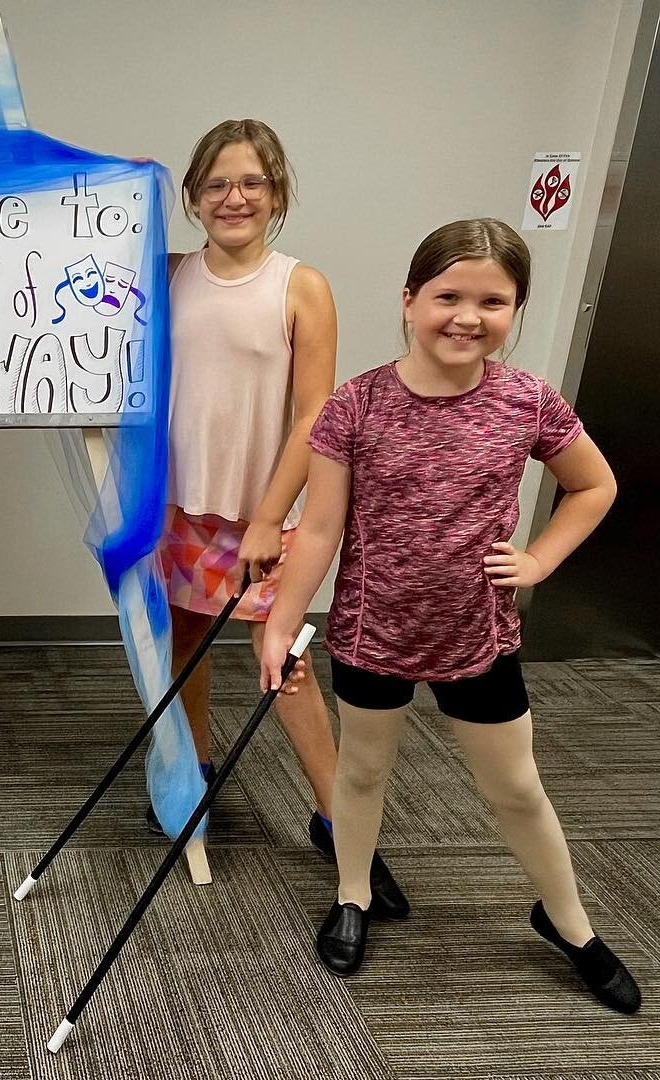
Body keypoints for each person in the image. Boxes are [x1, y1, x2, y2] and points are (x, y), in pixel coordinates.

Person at [261, 218, 640, 1013]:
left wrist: (538, 560)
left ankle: (568, 921)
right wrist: (278, 626)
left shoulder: (526, 401)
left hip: (479, 635)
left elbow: (594, 485)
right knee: (362, 772)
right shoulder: (355, 406)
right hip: (373, 631)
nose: (468, 317)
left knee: (515, 789)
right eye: (448, 297)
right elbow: (321, 528)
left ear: (516, 311)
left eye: (493, 301)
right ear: (409, 300)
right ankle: (355, 893)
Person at [156, 119, 406, 917]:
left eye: (252, 182)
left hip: (270, 511)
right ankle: (188, 773)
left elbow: (315, 417)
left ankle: (342, 822)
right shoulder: (167, 275)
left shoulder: (302, 286)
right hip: (181, 505)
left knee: (282, 662)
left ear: (276, 193)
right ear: (194, 195)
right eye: (217, 183)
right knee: (184, 637)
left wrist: (268, 517)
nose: (234, 197)